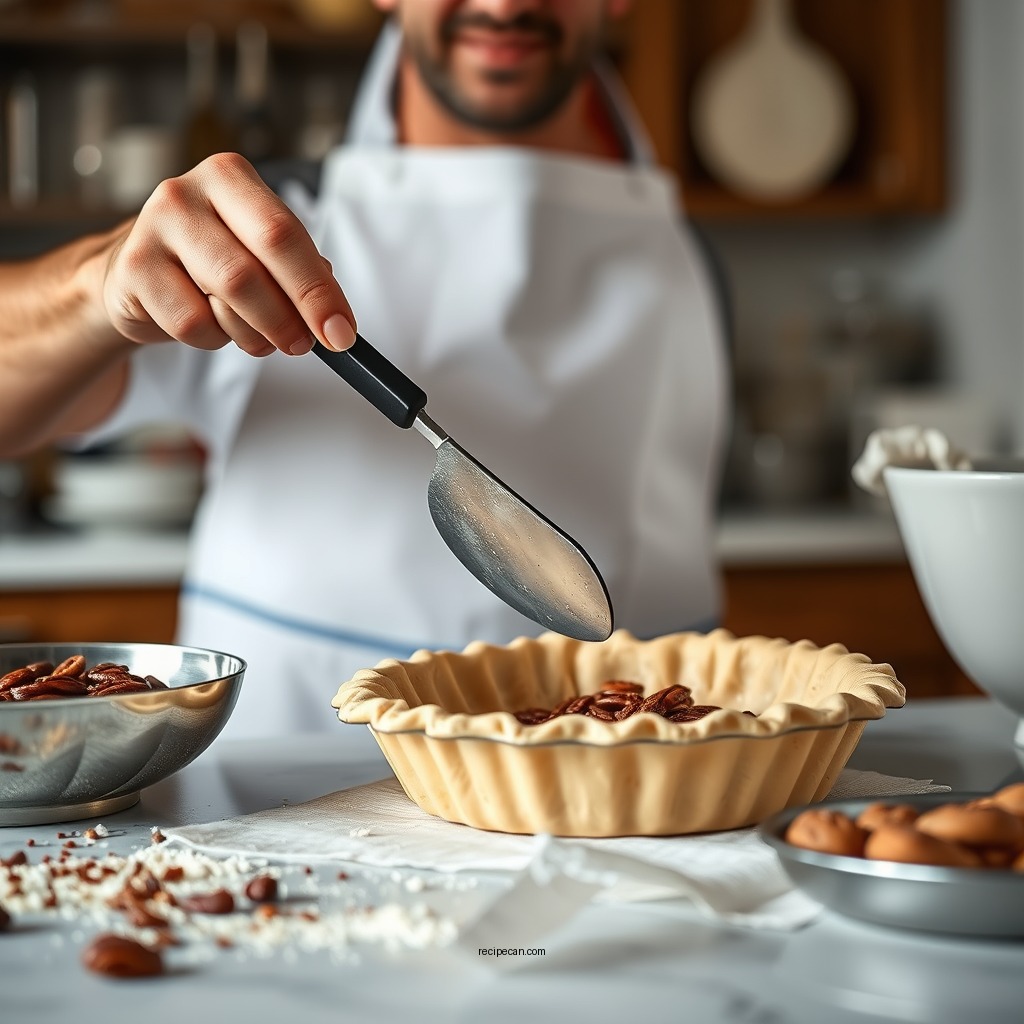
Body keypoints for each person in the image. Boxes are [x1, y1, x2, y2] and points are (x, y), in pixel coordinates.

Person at [0, 0, 728, 739]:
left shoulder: (688, 257)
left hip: (633, 781)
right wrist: (96, 289)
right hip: (289, 796)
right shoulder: (265, 235)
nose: (506, 5)